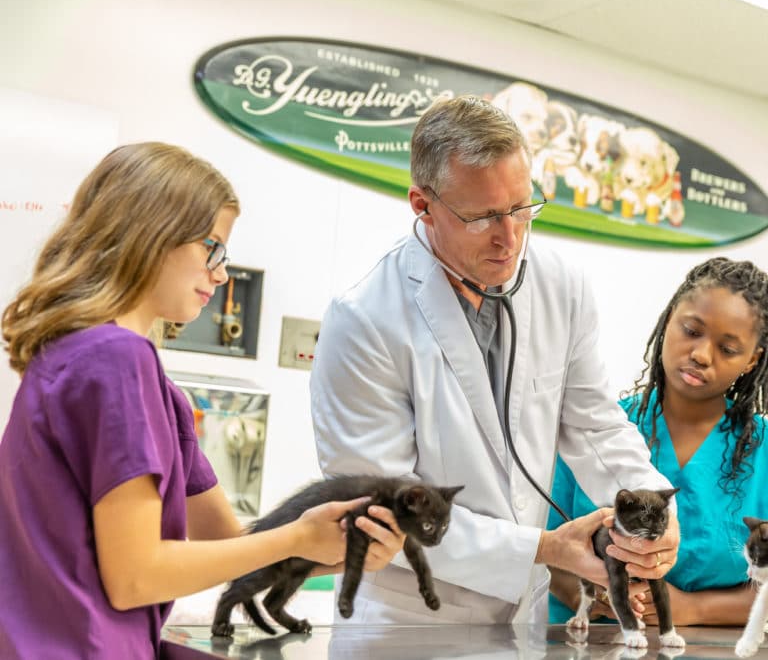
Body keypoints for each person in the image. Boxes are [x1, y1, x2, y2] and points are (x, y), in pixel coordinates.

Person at [0, 143, 404, 659]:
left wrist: (333, 549)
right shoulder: (114, 358)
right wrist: (292, 539)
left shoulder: (119, 372)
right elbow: (135, 576)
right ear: (151, 235)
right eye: (211, 247)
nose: (220, 274)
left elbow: (226, 543)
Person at [310, 95, 680, 625]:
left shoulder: (562, 287)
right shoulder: (364, 320)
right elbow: (387, 510)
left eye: (521, 208)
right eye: (483, 217)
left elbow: (594, 424)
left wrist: (655, 512)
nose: (509, 238)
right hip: (411, 619)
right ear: (423, 204)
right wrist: (543, 548)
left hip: (520, 619)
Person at [547, 257, 768, 626]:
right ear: (669, 320)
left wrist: (694, 610)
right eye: (692, 330)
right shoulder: (593, 430)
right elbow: (545, 548)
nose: (701, 355)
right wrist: (596, 596)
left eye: (728, 349)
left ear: (752, 360)